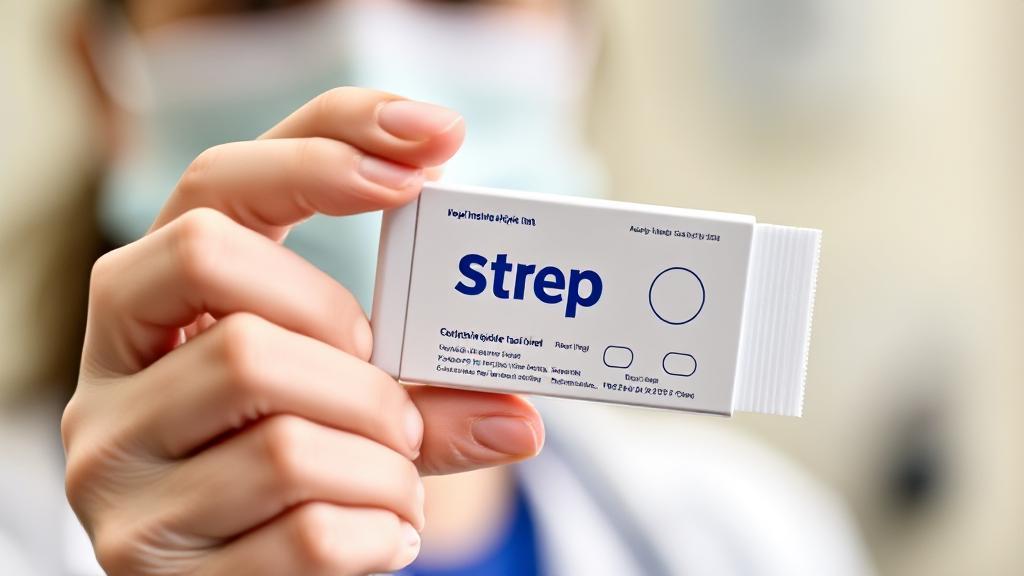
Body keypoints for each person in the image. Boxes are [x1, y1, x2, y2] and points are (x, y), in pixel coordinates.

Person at [51, 0, 873, 574]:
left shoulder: (757, 540)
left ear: (578, 50)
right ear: (103, 77)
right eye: (261, 1)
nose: (366, 59)